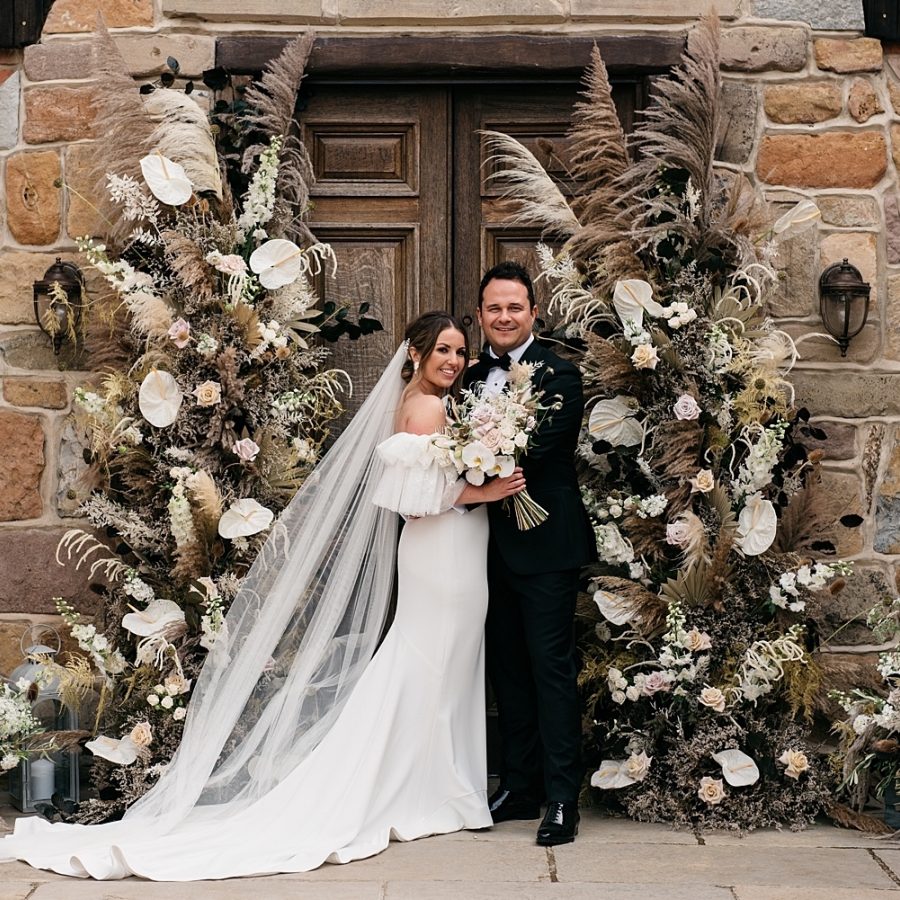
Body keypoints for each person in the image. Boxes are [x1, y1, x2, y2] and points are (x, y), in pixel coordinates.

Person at [0, 311, 525, 881]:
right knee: (431, 665)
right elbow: (411, 499)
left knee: (441, 667)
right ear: (415, 355)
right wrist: (484, 489)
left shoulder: (435, 404)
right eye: (442, 350)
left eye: (458, 351)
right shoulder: (426, 407)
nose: (452, 361)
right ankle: (434, 788)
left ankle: (438, 783)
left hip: (454, 552)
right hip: (442, 553)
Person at [464, 261, 596, 847]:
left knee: (551, 672)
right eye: (494, 308)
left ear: (534, 313)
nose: (504, 317)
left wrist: (474, 455)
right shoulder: (468, 382)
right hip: (485, 549)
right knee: (508, 673)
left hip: (546, 548)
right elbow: (456, 450)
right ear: (480, 316)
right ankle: (519, 787)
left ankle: (562, 799)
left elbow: (537, 448)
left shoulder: (561, 375)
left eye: (514, 307)